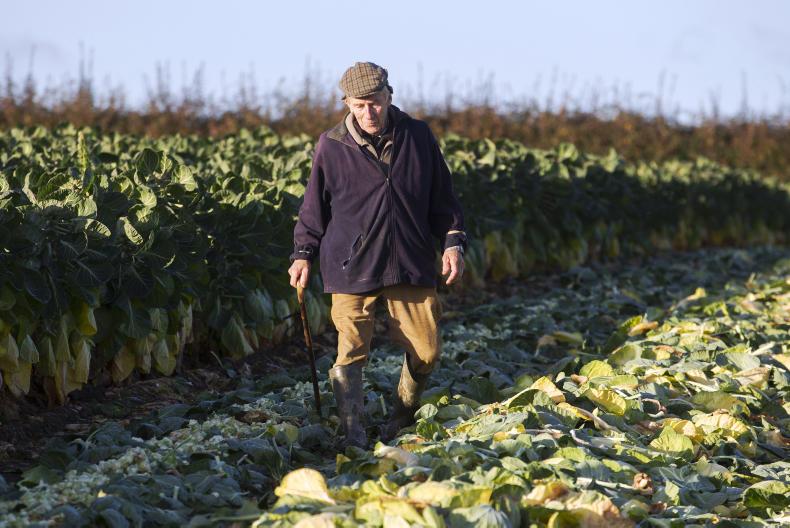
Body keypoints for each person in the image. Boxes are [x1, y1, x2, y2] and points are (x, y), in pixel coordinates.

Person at [288, 61, 466, 448]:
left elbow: (443, 199)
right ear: (347, 103)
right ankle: (352, 430)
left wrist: (452, 242)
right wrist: (302, 254)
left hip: (410, 258)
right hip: (352, 263)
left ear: (389, 96)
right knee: (350, 350)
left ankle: (400, 415)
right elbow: (313, 209)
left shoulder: (418, 136)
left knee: (428, 350)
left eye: (376, 103)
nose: (368, 113)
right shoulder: (331, 146)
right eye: (359, 105)